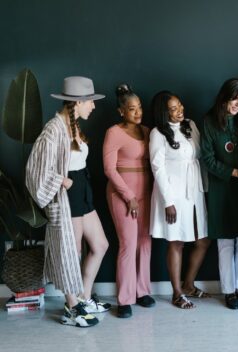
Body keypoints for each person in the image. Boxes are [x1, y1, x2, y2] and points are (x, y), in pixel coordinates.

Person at [26, 76, 109, 327]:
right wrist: (62, 181)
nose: (93, 107)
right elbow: (36, 169)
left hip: (83, 190)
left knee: (100, 244)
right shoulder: (54, 128)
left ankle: (83, 297)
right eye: (90, 102)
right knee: (72, 252)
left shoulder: (73, 126)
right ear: (78, 102)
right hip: (68, 194)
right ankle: (72, 307)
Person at [200, 78, 238, 310]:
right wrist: (234, 171)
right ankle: (227, 291)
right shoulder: (209, 121)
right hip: (221, 187)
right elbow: (207, 158)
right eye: (235, 99)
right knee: (225, 242)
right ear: (225, 97)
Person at [150, 91, 211, 309]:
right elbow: (157, 167)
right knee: (176, 242)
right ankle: (176, 292)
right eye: (173, 109)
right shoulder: (158, 133)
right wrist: (168, 201)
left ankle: (189, 284)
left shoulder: (190, 125)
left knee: (202, 241)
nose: (179, 111)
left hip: (195, 192)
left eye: (180, 106)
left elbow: (200, 158)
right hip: (174, 194)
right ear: (164, 112)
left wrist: (204, 189)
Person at [103, 84, 154, 318]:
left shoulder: (147, 131)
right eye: (131, 108)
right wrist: (129, 196)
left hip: (146, 192)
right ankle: (124, 299)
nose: (137, 112)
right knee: (128, 244)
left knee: (145, 242)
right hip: (123, 194)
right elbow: (109, 170)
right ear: (121, 111)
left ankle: (142, 291)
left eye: (139, 107)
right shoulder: (114, 132)